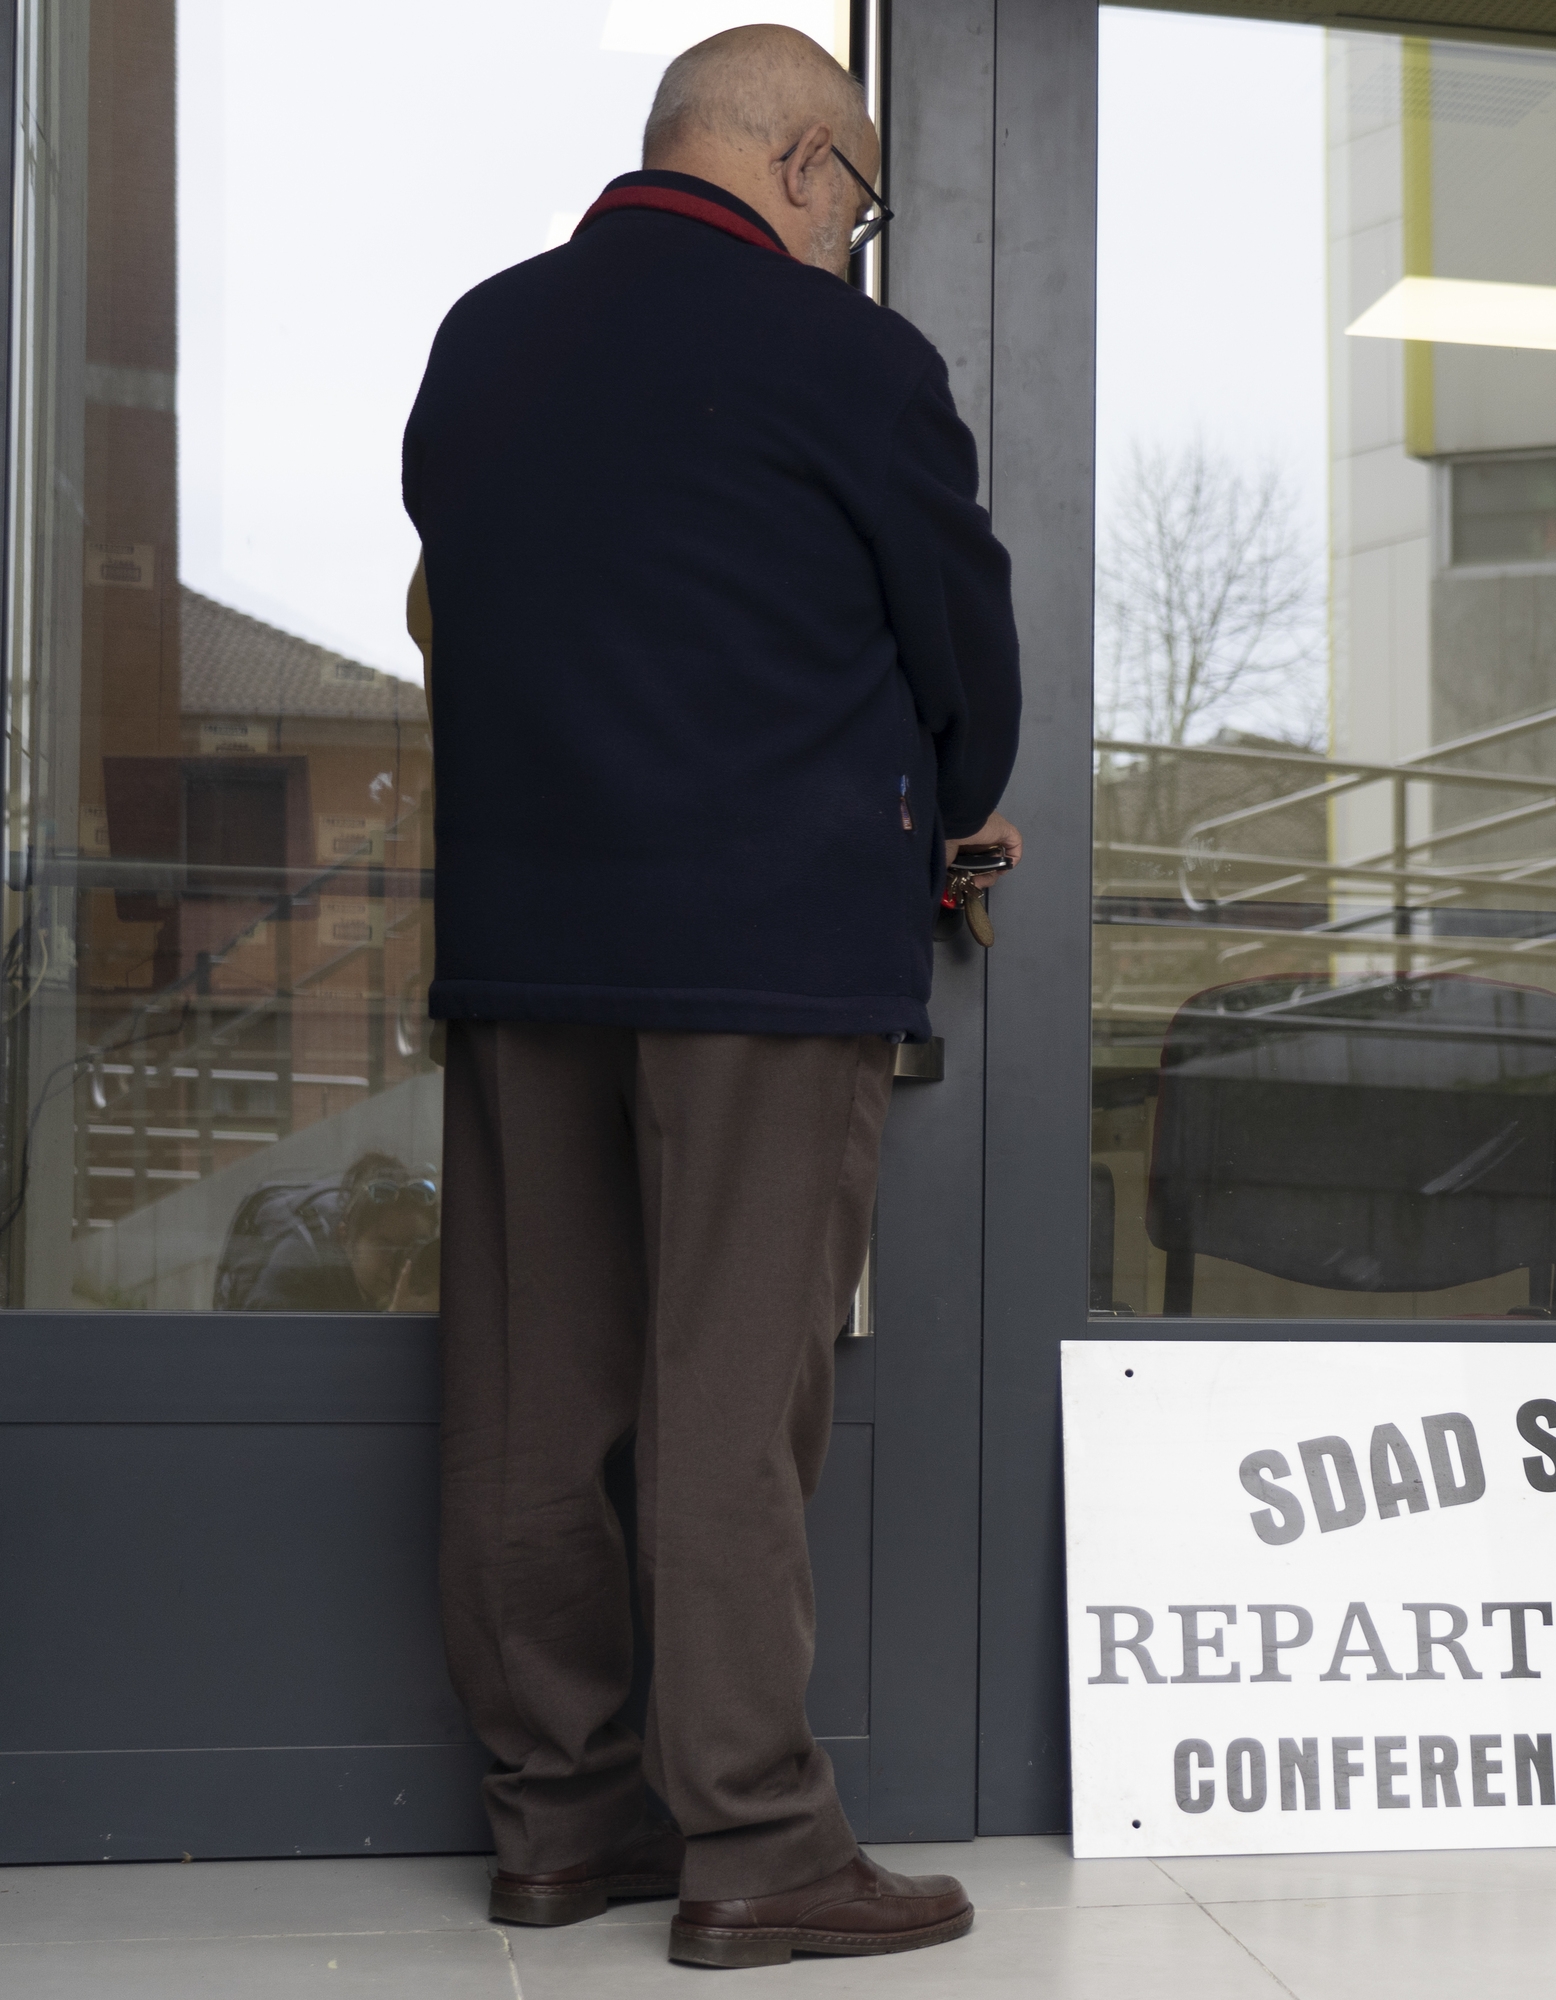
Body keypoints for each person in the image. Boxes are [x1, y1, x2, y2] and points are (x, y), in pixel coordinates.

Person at [401, 26, 1017, 1971]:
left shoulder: (479, 343)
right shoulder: (849, 361)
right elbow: (959, 639)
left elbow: (455, 600)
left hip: (524, 945)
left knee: (529, 1398)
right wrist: (957, 804)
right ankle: (754, 1838)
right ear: (805, 159)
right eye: (863, 201)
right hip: (759, 943)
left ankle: (556, 1827)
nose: (855, 237)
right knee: (729, 1401)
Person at [211, 1151, 441, 1312]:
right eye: (384, 1245)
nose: (400, 1262)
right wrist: (399, 1324)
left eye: (413, 1246)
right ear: (345, 1238)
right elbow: (285, 1374)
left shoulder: (431, 1274)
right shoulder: (295, 1275)